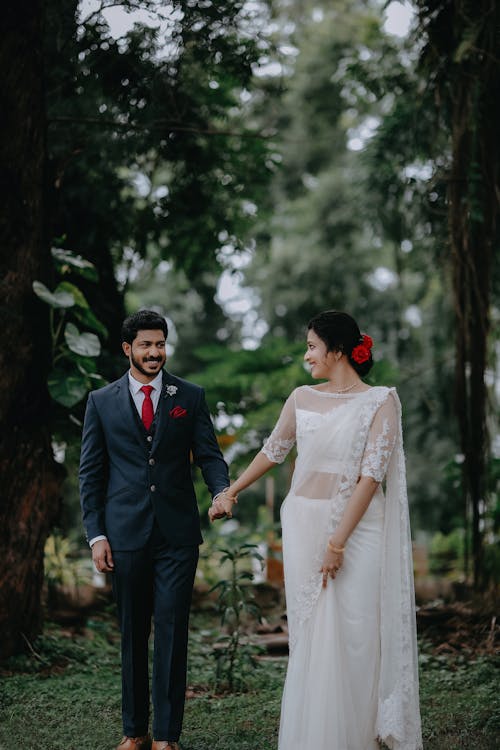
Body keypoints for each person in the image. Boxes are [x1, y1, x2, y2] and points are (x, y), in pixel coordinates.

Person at [211, 310, 423, 750]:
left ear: (338, 350)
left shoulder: (382, 401)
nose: (306, 355)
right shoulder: (301, 398)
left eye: (312, 346)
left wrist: (338, 541)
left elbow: (370, 477)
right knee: (312, 632)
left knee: (357, 629)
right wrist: (231, 492)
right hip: (304, 522)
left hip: (360, 527)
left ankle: (358, 736)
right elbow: (274, 450)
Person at [80, 310, 231, 750]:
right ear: (127, 349)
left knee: (171, 630)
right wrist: (97, 535)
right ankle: (134, 732)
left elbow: (209, 455)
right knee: (132, 634)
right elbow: (90, 474)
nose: (154, 352)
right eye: (145, 345)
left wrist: (220, 491)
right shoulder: (100, 401)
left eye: (160, 344)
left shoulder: (189, 395)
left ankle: (166, 737)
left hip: (178, 536)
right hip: (123, 535)